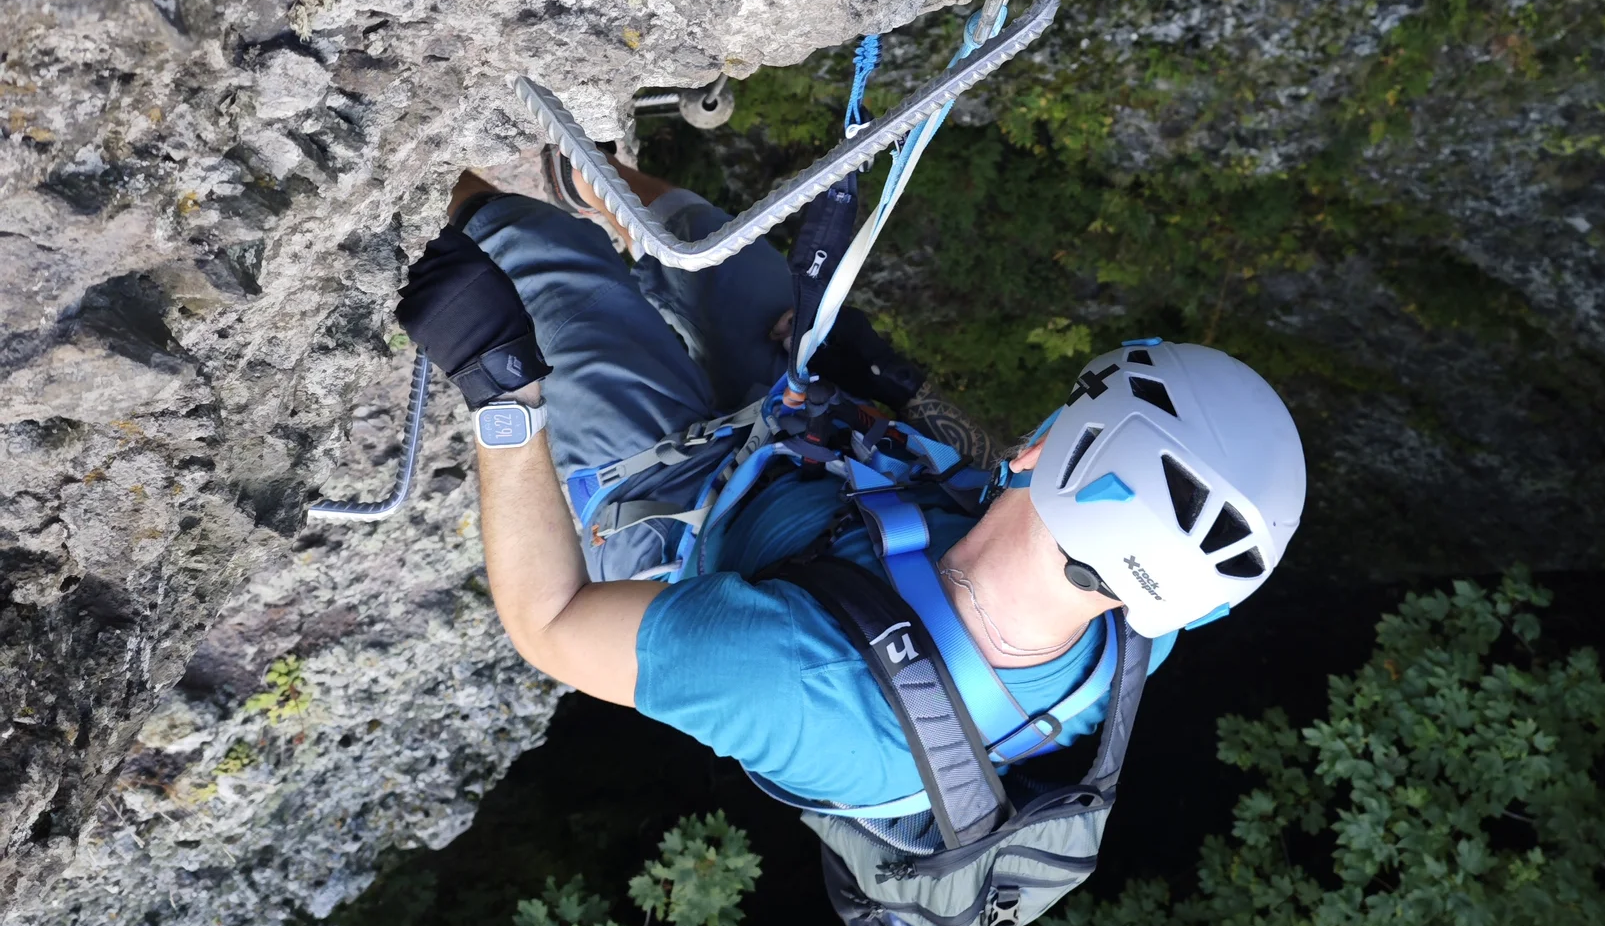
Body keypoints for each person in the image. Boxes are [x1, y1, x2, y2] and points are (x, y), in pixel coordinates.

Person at [394, 147, 1307, 861]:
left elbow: (550, 622)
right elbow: (1009, 478)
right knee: (720, 246)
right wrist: (900, 389)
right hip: (837, 465)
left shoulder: (802, 687)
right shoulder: (1147, 603)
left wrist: (501, 394)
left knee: (522, 249)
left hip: (687, 528)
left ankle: (468, 159)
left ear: (1042, 447)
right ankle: (581, 165)